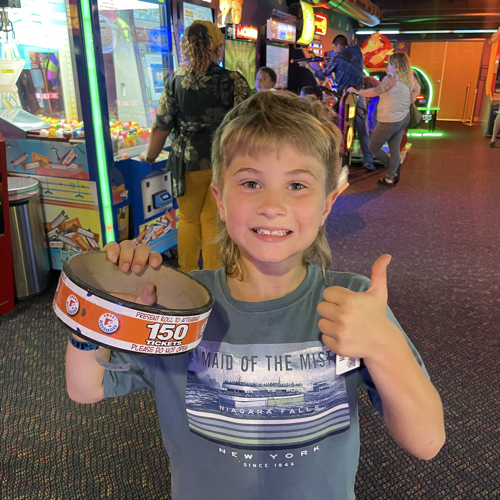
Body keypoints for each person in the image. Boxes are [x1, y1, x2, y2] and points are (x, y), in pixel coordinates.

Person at [66, 91, 445, 500]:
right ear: (220, 201)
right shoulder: (178, 306)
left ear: (327, 204)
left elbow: (426, 441)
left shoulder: (353, 303)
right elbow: (86, 389)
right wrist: (104, 303)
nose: (272, 205)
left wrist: (384, 344)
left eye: (297, 185)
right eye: (251, 183)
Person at [139, 20, 251, 273]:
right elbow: (249, 121)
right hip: (224, 161)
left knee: (188, 219)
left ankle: (187, 274)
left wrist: (150, 156)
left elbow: (161, 124)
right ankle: (212, 277)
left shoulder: (175, 81)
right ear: (216, 45)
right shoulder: (232, 79)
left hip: (187, 162)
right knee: (213, 220)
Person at [353, 53, 421, 186]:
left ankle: (392, 170)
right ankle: (390, 177)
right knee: (394, 148)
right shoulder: (409, 78)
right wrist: (408, 101)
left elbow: (376, 91)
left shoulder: (391, 78)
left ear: (395, 65)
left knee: (373, 147)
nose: (387, 65)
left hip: (389, 120)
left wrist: (356, 92)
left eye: (389, 63)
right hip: (403, 117)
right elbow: (416, 89)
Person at [299, 34, 363, 103]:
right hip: (360, 94)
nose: (334, 51)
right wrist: (332, 61)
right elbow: (348, 61)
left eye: (334, 48)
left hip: (347, 97)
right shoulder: (357, 52)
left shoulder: (336, 59)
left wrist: (307, 66)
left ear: (339, 45)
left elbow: (321, 76)